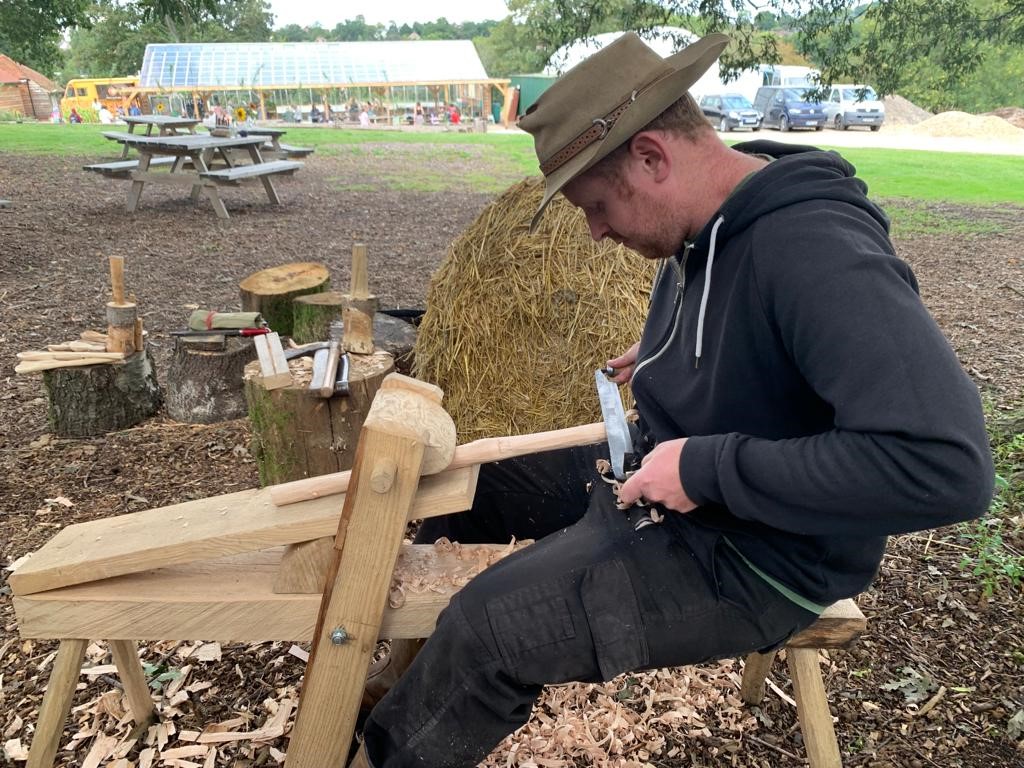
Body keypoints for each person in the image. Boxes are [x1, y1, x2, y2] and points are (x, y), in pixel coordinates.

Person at [350, 32, 995, 768]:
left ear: (653, 156)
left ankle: (392, 748)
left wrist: (704, 469)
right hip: (674, 483)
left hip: (755, 556)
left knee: (489, 630)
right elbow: (750, 328)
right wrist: (672, 354)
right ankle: (402, 690)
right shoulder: (703, 222)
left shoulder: (814, 249)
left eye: (596, 204)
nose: (593, 233)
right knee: (464, 487)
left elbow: (946, 467)